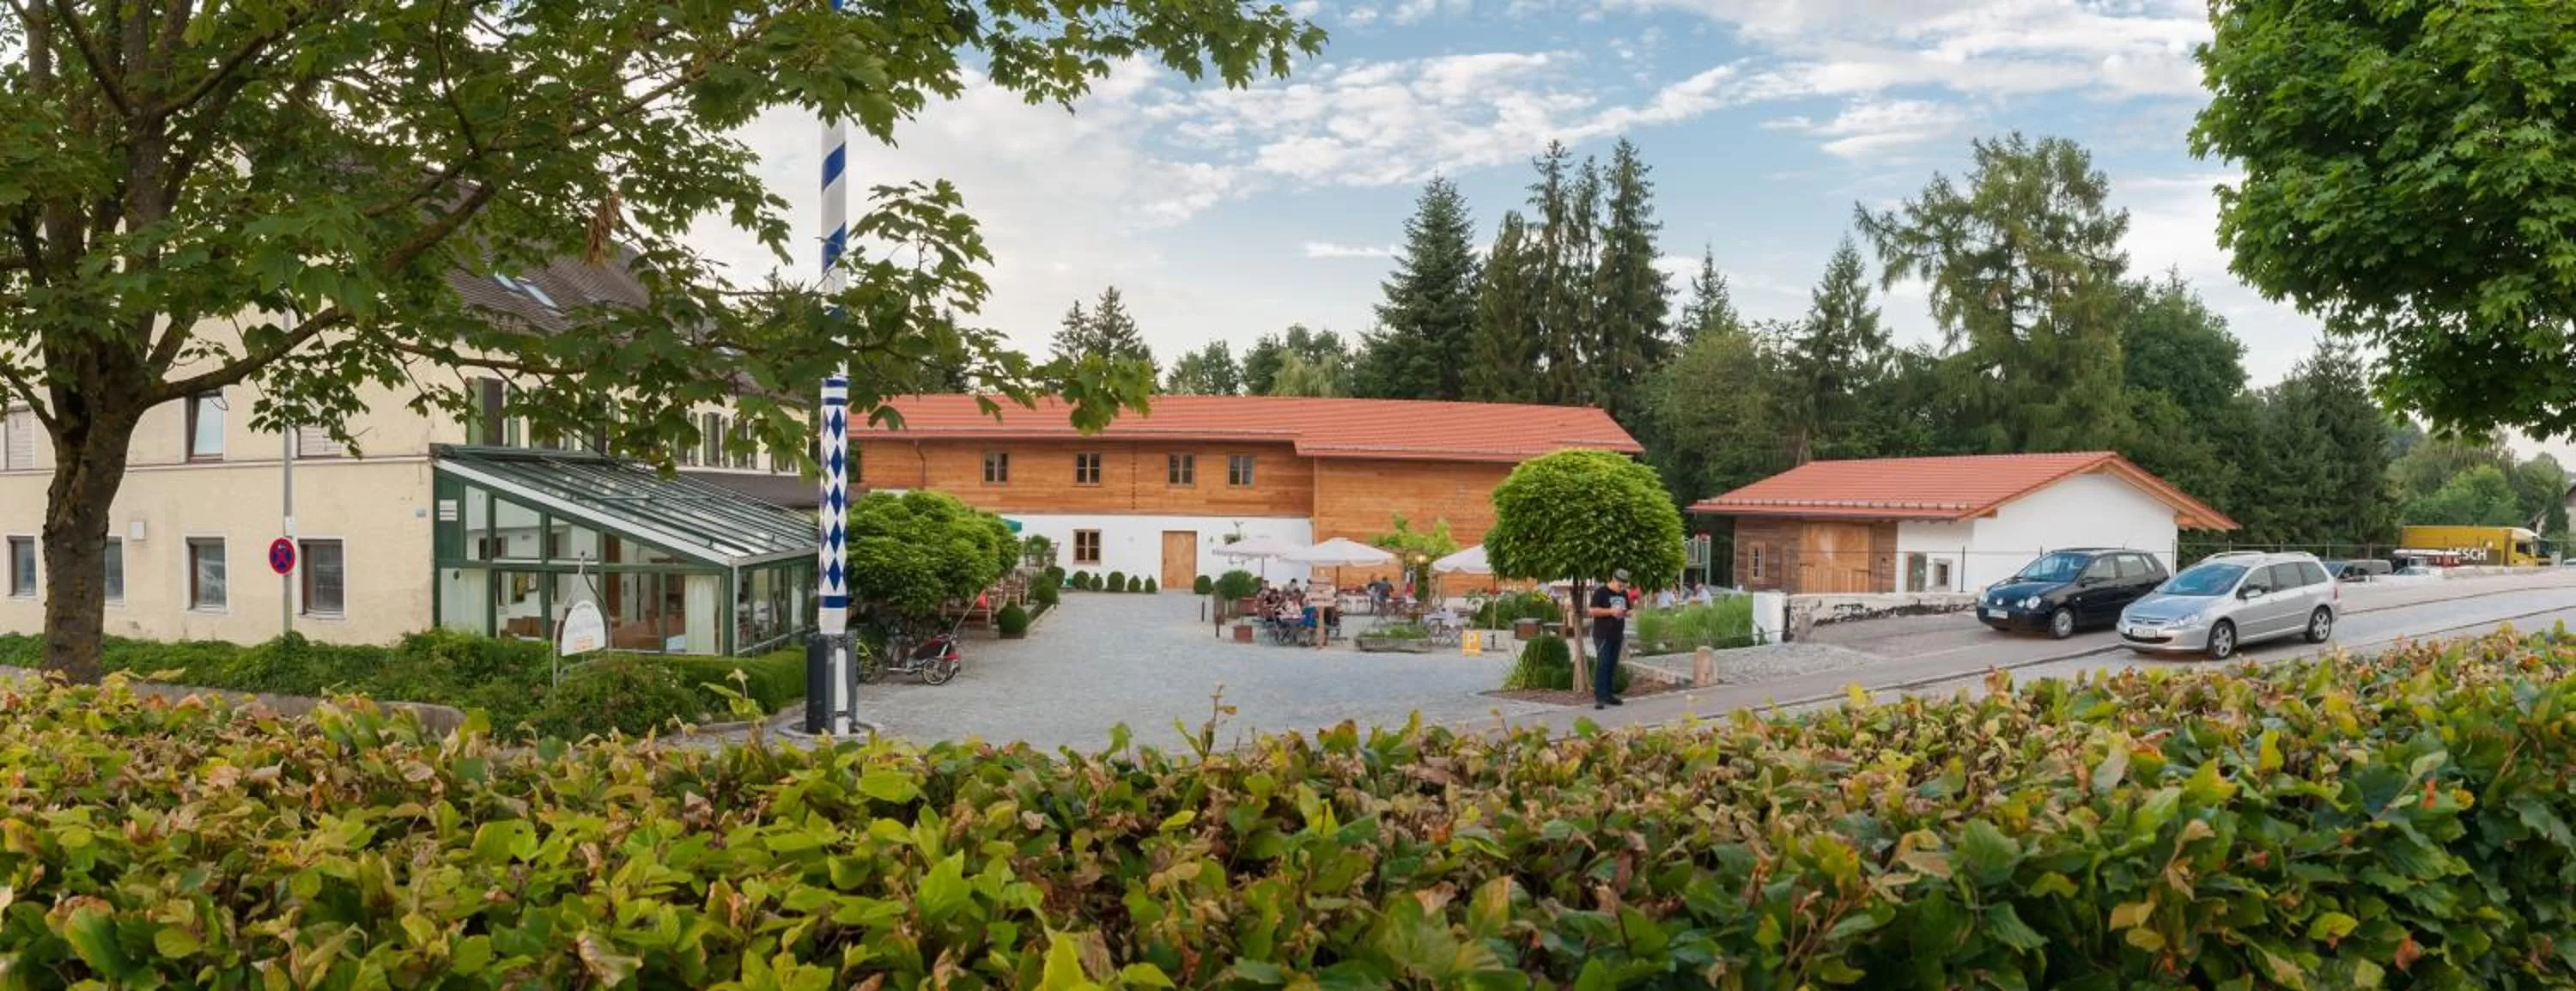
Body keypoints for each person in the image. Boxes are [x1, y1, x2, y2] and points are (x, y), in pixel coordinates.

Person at [1588, 569, 1634, 709]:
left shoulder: (1623, 594)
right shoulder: (1601, 592)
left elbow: (1628, 609)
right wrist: (1611, 611)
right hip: (1603, 634)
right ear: (1613, 580)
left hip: (1617, 634)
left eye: (1624, 586)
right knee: (1603, 664)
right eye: (1619, 585)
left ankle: (1608, 695)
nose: (1621, 588)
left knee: (1612, 665)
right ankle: (1599, 697)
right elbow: (1592, 610)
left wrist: (1628, 613)